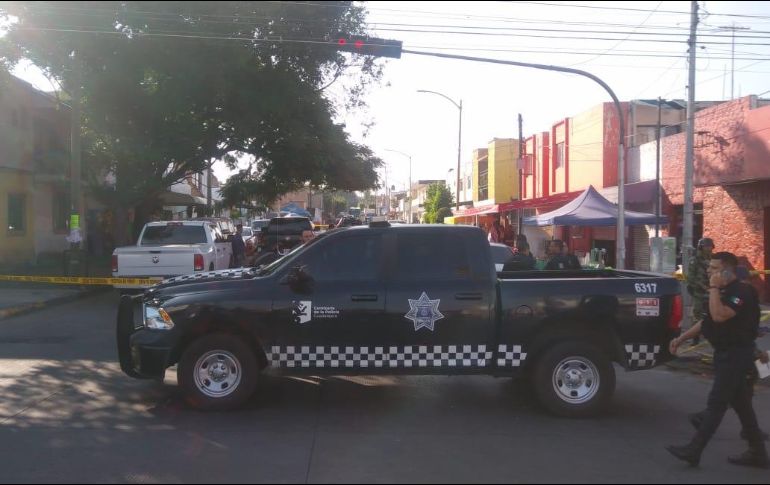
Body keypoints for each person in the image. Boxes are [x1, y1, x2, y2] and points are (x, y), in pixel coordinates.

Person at [666, 252, 768, 469]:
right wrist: (681, 338)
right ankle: (758, 452)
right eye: (709, 268)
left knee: (716, 404)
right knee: (742, 406)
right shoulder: (724, 292)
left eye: (713, 268)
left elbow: (720, 315)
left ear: (726, 271)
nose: (708, 272)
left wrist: (712, 288)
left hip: (736, 356)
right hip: (726, 355)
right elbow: (708, 321)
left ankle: (694, 450)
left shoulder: (740, 291)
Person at [687, 238, 715, 340]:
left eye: (710, 246)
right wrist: (701, 286)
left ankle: (712, 335)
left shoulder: (714, 260)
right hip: (699, 292)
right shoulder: (695, 260)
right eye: (706, 246)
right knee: (697, 315)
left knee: (713, 313)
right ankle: (695, 337)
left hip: (713, 291)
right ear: (701, 247)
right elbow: (691, 278)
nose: (708, 248)